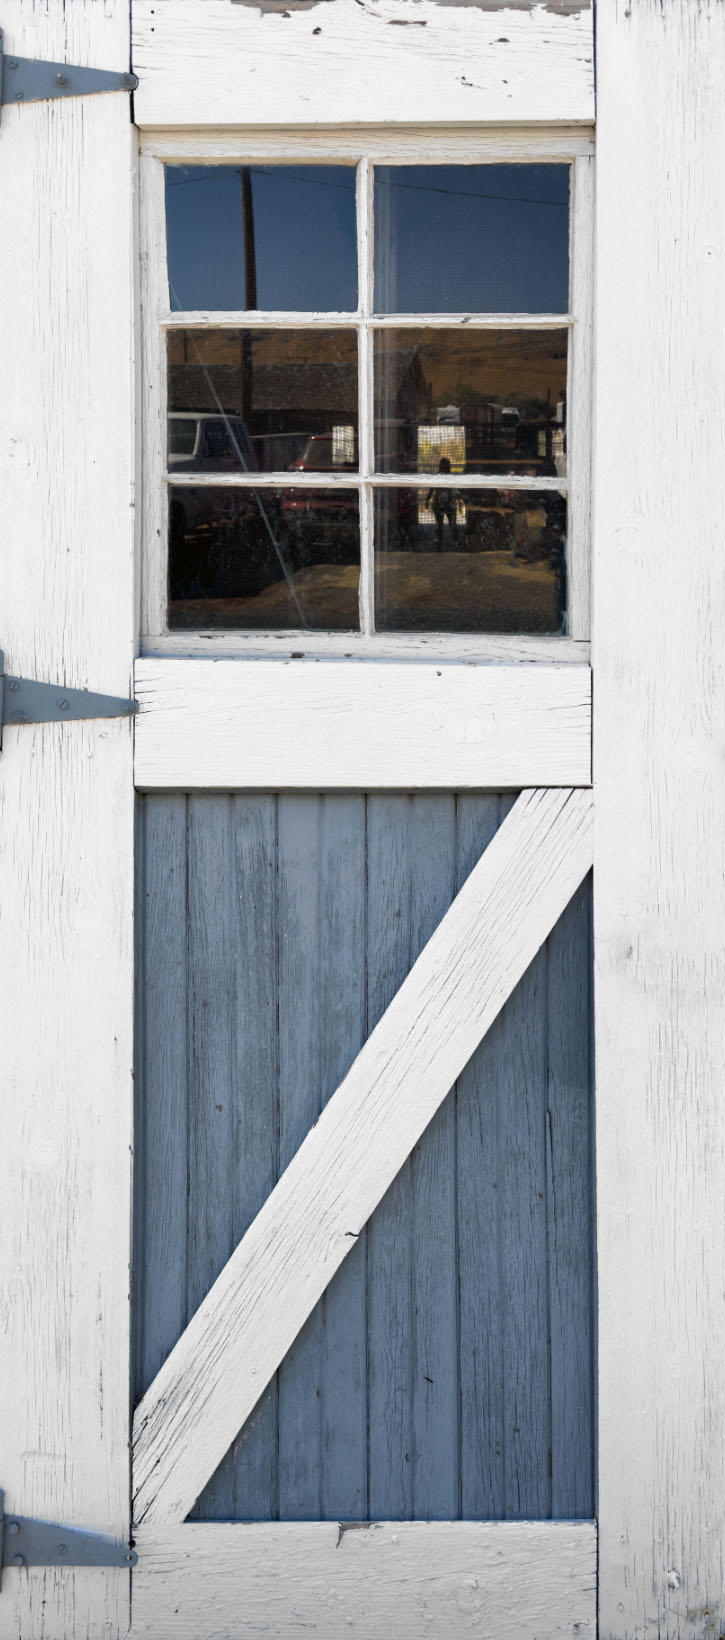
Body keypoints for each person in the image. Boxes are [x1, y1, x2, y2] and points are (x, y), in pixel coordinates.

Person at [426, 456, 459, 550]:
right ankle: (440, 544)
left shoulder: (451, 477)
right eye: (443, 467)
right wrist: (427, 500)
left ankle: (456, 543)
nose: (444, 469)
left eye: (446, 467)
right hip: (439, 503)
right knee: (440, 525)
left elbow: (456, 491)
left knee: (452, 525)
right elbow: (431, 489)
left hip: (448, 503)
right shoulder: (438, 477)